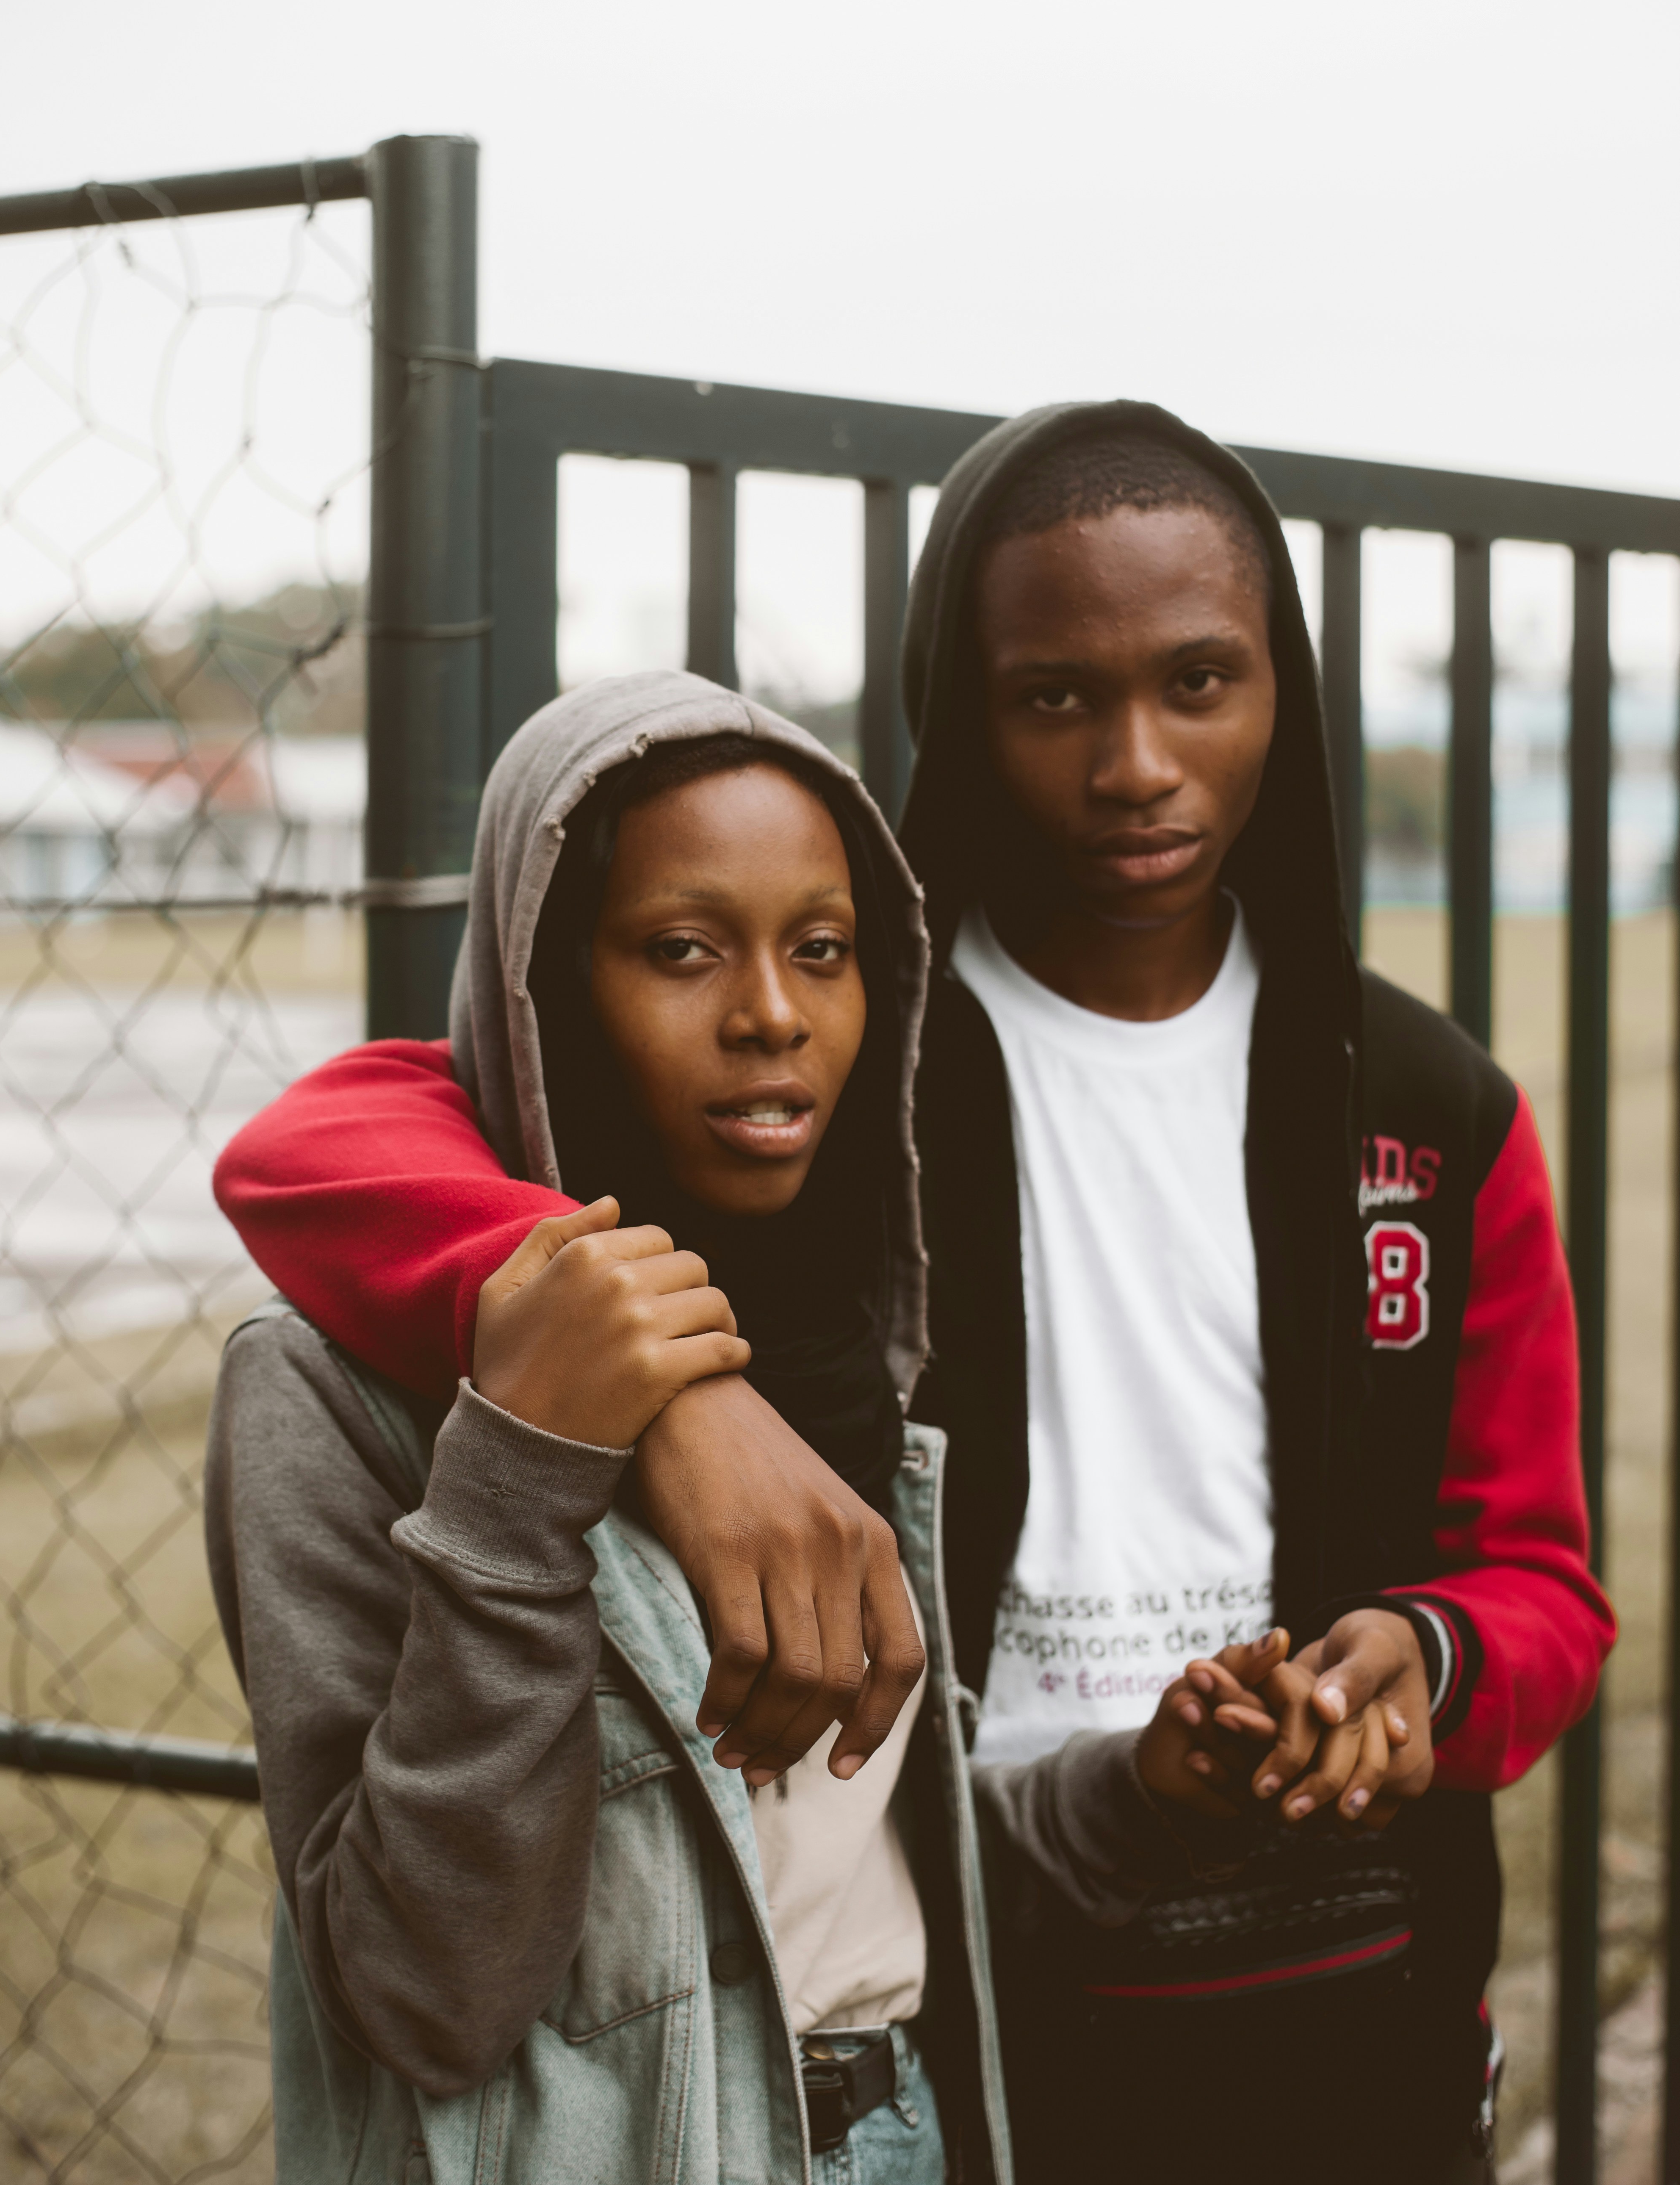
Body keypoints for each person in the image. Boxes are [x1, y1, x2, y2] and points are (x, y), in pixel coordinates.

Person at [214, 406, 1614, 2182]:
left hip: (1333, 1967)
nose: (1133, 764)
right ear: (960, 705)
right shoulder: (844, 1057)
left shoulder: (1425, 1107)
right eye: (1052, 697)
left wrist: (1430, 1649)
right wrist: (674, 1390)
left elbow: (1545, 1581)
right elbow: (329, 1134)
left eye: (1199, 681)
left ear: (1285, 694)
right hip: (983, 2009)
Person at [206, 678, 1016, 2185]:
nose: (773, 1011)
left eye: (823, 950)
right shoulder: (323, 1390)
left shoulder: (880, 1331)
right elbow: (421, 1996)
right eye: (681, 950)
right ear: (548, 980)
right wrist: (535, 1466)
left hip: (896, 2125)